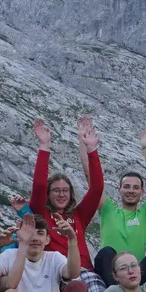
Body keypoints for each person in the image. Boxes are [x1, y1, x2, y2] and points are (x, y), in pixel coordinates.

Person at [93, 122, 146, 284]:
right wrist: (87, 147)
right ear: (119, 189)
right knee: (107, 252)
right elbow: (92, 181)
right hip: (112, 274)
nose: (131, 190)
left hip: (137, 275)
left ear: (142, 192)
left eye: (135, 187)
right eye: (127, 187)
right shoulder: (108, 209)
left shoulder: (145, 213)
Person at [30, 116, 102, 270]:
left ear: (71, 194)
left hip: (84, 272)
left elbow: (96, 189)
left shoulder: (79, 216)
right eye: (56, 190)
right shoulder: (40, 212)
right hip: (54, 272)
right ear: (48, 194)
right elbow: (39, 185)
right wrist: (44, 145)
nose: (61, 195)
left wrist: (91, 149)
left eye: (65, 191)